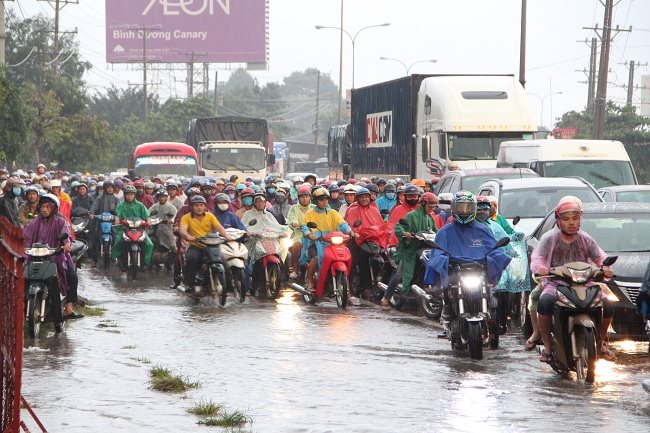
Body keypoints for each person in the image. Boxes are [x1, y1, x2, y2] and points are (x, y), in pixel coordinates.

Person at [529, 196, 616, 362]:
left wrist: (606, 268)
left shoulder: (586, 238)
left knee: (608, 305)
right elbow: (538, 256)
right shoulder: (549, 238)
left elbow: (599, 257)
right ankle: (547, 346)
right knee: (545, 302)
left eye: (575, 219)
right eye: (566, 219)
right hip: (556, 283)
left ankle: (601, 342)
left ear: (580, 220)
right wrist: (540, 268)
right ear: (558, 220)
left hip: (585, 283)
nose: (571, 223)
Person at [424, 191, 512, 319]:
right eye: (460, 207)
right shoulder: (444, 231)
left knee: (497, 294)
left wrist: (497, 256)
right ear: (453, 208)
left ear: (473, 208)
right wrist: (443, 258)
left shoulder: (483, 229)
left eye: (468, 207)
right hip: (455, 271)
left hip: (479, 270)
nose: (464, 211)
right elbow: (438, 251)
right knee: (448, 286)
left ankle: (495, 319)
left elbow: (493, 248)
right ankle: (447, 307)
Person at [23, 194, 83, 321]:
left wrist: (66, 244)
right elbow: (26, 236)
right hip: (35, 257)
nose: (44, 209)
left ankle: (69, 308)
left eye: (47, 207)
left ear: (53, 208)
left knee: (72, 277)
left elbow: (65, 234)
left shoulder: (60, 221)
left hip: (57, 256)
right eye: (42, 206)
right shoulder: (34, 222)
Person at [381, 192, 441, 310]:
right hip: (408, 250)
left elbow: (436, 231)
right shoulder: (411, 215)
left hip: (424, 249)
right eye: (430, 206)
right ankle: (386, 297)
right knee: (400, 273)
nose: (432, 209)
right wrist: (405, 233)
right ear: (423, 204)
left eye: (434, 207)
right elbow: (398, 227)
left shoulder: (430, 218)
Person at [301, 188, 356, 300]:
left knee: (345, 257)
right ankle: (310, 280)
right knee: (316, 258)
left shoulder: (333, 213)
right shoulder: (309, 214)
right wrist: (309, 234)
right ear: (316, 201)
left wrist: (350, 231)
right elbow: (305, 226)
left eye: (326, 199)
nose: (324, 202)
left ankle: (347, 290)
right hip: (316, 243)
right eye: (321, 200)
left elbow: (342, 224)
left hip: (332, 244)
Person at [344, 187, 388, 299]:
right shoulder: (353, 210)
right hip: (358, 240)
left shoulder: (374, 209)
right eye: (362, 197)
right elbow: (350, 225)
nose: (364, 199)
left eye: (366, 197)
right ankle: (364, 286)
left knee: (386, 257)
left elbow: (380, 224)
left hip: (374, 239)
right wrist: (356, 233)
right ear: (357, 198)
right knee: (358, 260)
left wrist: (376, 231)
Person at [179, 195, 231, 287]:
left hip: (211, 246)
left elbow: (219, 227)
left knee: (224, 262)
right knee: (192, 259)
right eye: (196, 205)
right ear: (192, 207)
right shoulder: (186, 217)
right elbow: (182, 230)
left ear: (204, 206)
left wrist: (226, 236)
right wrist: (189, 236)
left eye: (201, 205)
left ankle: (229, 286)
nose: (199, 208)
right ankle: (191, 285)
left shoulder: (210, 216)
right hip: (195, 245)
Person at [111, 184, 154, 269]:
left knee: (149, 244)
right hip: (124, 229)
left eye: (131, 194)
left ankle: (146, 261)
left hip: (139, 229)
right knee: (118, 241)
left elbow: (147, 216)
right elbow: (117, 216)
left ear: (134, 195)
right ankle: (116, 258)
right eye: (128, 194)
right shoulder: (121, 205)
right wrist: (117, 221)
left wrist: (148, 222)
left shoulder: (140, 205)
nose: (130, 196)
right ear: (124, 195)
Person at [88, 179, 120, 263]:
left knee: (116, 237)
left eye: (111, 187)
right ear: (105, 188)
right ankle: (95, 257)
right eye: (108, 187)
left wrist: (117, 217)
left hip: (112, 222)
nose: (110, 189)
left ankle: (115, 255)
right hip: (100, 221)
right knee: (94, 236)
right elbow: (94, 207)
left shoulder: (116, 199)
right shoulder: (99, 198)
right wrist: (92, 213)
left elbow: (119, 210)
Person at [287, 186, 314, 279]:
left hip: (314, 234)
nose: (304, 198)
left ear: (310, 197)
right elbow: (291, 218)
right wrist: (294, 223)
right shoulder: (294, 208)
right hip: (299, 234)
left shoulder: (314, 208)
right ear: (298, 198)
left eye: (306, 196)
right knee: (296, 247)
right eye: (302, 196)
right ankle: (294, 269)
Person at [148, 189, 178, 260]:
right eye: (160, 196)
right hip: (154, 228)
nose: (161, 198)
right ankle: (147, 261)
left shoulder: (171, 207)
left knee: (173, 246)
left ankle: (172, 261)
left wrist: (170, 220)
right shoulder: (154, 206)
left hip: (167, 229)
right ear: (157, 197)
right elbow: (147, 213)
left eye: (163, 196)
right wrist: (147, 219)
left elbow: (174, 217)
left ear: (166, 197)